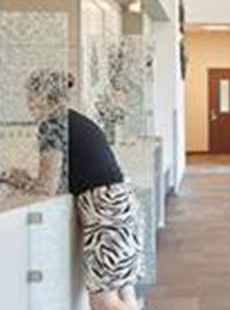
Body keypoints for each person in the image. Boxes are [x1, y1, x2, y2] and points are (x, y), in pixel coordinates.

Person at [15, 70, 142, 310]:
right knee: (125, 292)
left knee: (103, 301)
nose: (29, 102)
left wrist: (20, 182)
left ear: (41, 96)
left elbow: (47, 186)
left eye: (30, 96)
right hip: (121, 202)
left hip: (103, 209)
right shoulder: (76, 119)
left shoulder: (53, 125)